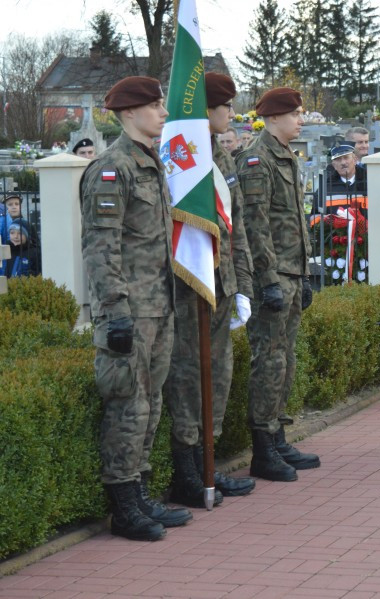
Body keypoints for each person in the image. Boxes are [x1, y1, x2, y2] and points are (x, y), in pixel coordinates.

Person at [80, 76, 191, 541]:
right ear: (128, 114)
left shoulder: (151, 165)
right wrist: (116, 310)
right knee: (129, 406)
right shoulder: (112, 168)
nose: (164, 113)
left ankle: (141, 493)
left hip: (159, 305)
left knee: (152, 402)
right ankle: (123, 507)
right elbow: (101, 246)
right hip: (130, 310)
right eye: (154, 106)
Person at [163, 73, 256, 509]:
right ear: (206, 110)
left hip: (220, 283)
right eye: (226, 106)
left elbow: (231, 228)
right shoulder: (183, 158)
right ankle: (187, 473)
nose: (232, 114)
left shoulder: (219, 153)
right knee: (189, 378)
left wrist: (239, 286)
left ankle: (207, 465)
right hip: (189, 287)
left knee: (218, 375)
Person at [236, 87, 320, 482]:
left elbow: (294, 223)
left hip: (290, 273)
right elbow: (256, 225)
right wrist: (267, 279)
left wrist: (302, 275)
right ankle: (263, 448)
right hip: (271, 278)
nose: (300, 119)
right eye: (294, 113)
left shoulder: (286, 155)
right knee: (268, 361)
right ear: (271, 118)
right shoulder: (256, 158)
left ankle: (278, 434)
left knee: (285, 359)